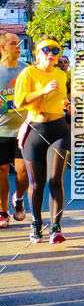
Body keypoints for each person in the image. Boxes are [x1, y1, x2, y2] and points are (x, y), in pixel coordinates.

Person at [14, 37, 70, 244]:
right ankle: (36, 223)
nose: (51, 54)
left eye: (55, 51)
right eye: (46, 50)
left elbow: (62, 98)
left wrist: (67, 104)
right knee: (36, 184)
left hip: (59, 129)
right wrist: (43, 91)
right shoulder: (29, 73)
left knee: (56, 180)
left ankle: (56, 228)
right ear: (38, 52)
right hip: (36, 129)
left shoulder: (61, 74)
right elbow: (19, 102)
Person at [0, 32, 29, 227]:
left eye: (19, 44)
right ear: (2, 48)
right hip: (1, 130)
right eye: (13, 44)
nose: (17, 47)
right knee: (1, 171)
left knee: (23, 171)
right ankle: (3, 211)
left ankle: (18, 198)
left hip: (23, 129)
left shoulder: (27, 71)